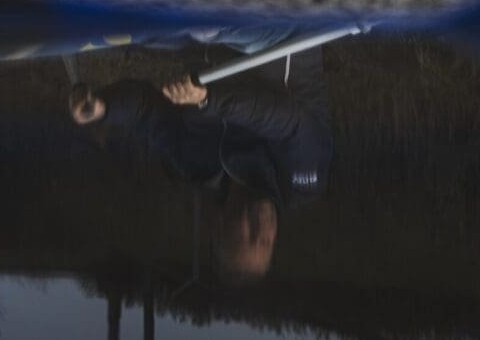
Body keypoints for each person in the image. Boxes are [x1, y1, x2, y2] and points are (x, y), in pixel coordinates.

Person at [69, 36, 332, 285]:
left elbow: (147, 113)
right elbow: (288, 121)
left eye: (249, 238)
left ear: (217, 226)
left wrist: (105, 108)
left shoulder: (193, 164)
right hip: (278, 32)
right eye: (265, 242)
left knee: (135, 31)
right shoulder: (302, 181)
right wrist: (208, 101)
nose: (260, 230)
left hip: (205, 40)